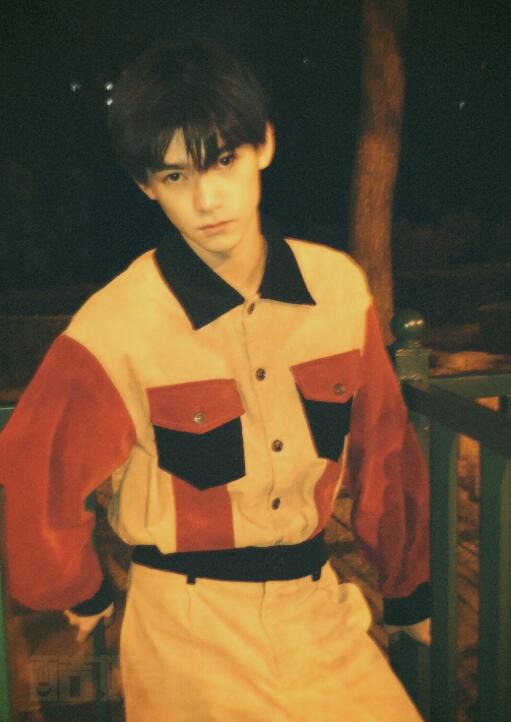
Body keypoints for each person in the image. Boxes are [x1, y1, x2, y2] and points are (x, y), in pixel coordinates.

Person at [0, 41, 430, 722]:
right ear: (146, 185)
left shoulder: (339, 290)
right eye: (175, 175)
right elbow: (35, 468)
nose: (206, 199)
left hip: (317, 605)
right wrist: (76, 589)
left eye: (224, 160)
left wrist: (408, 587)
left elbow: (384, 447)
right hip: (184, 628)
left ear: (264, 145)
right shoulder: (117, 325)